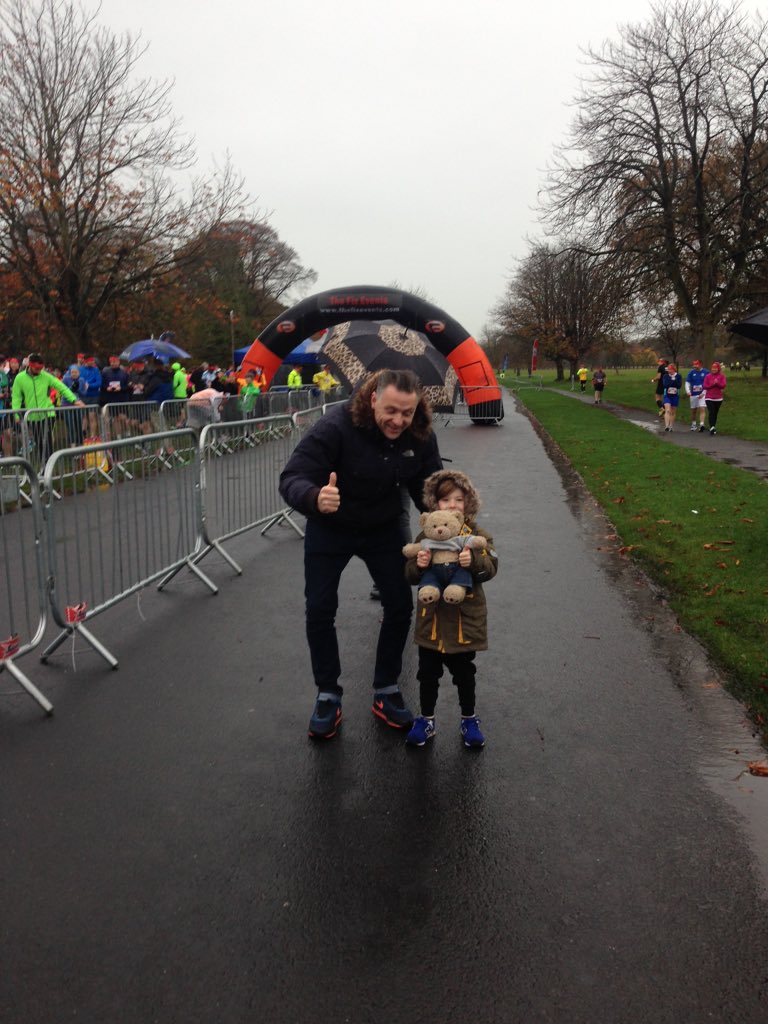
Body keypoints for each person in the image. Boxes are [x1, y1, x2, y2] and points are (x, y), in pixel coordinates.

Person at [278, 368, 443, 740]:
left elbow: (428, 484)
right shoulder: (336, 425)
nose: (399, 421)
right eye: (391, 411)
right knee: (320, 608)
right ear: (373, 400)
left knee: (400, 605)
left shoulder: (419, 432)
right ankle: (327, 693)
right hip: (331, 524)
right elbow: (292, 476)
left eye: (407, 412)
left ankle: (386, 688)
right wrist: (314, 497)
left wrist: (446, 513)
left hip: (384, 526)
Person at [403, 470, 498, 749]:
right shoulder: (427, 533)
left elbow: (491, 569)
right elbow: (410, 575)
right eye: (445, 499)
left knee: (464, 674)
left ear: (468, 503)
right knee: (427, 674)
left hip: (463, 621)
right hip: (430, 622)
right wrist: (419, 565)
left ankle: (469, 717)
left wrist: (475, 563)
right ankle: (426, 719)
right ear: (435, 504)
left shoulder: (477, 535)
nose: (452, 505)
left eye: (459, 499)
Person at [11, 352, 85, 464]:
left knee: (46, 439)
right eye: (37, 368)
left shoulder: (46, 376)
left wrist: (74, 400)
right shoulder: (20, 378)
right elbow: (16, 397)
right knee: (39, 441)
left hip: (48, 413)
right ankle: (45, 465)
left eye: (41, 368)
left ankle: (48, 465)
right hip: (32, 416)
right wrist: (16, 414)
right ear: (30, 365)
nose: (39, 370)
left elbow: (62, 387)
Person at [703, 361, 727, 435]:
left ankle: (713, 426)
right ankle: (712, 427)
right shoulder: (708, 376)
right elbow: (705, 386)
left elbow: (723, 385)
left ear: (718, 369)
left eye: (715, 368)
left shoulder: (722, 376)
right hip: (709, 397)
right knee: (711, 412)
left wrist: (718, 383)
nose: (714, 369)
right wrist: (712, 384)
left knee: (715, 413)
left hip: (718, 398)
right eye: (712, 368)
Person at [685, 359, 707, 432]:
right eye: (694, 365)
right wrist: (688, 391)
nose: (695, 366)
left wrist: (703, 393)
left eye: (696, 365)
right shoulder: (691, 372)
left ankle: (701, 424)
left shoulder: (706, 372)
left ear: (701, 364)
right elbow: (687, 382)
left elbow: (708, 384)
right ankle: (693, 424)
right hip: (693, 394)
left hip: (702, 394)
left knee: (702, 408)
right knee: (693, 411)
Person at [661, 363, 682, 431]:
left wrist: (674, 380)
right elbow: (665, 385)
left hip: (675, 395)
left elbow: (679, 385)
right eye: (668, 369)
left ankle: (671, 426)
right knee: (667, 410)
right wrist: (672, 381)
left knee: (673, 411)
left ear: (673, 369)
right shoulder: (665, 376)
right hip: (667, 395)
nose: (668, 371)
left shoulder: (678, 376)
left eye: (670, 369)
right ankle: (666, 426)